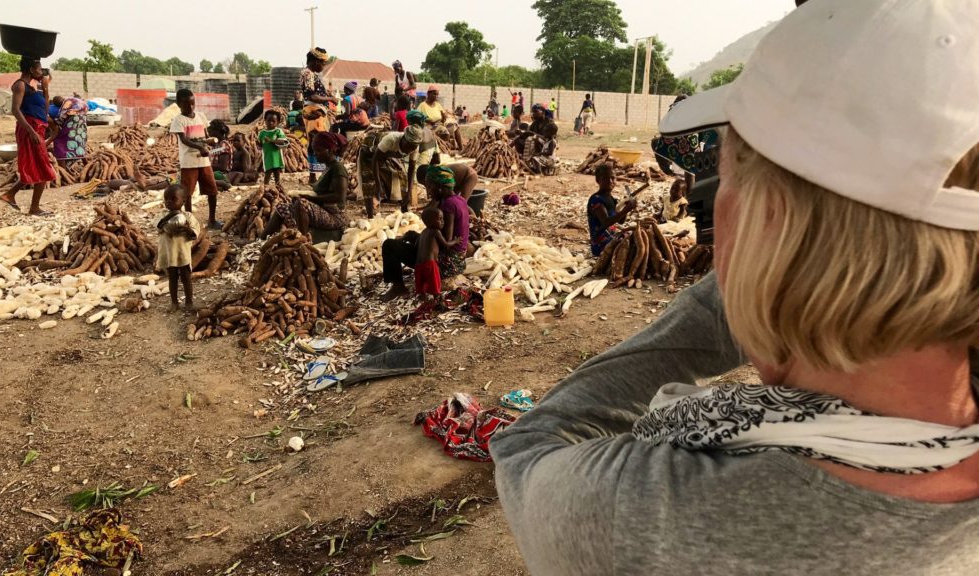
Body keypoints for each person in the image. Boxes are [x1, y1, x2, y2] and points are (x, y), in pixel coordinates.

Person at [492, 2, 979, 575]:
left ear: (761, 224)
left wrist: (760, 278)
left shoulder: (644, 513)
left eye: (726, 177)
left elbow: (529, 446)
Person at [380, 165, 469, 300]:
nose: (428, 192)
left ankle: (398, 287)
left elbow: (445, 240)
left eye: (430, 187)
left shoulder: (448, 205)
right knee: (409, 238)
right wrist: (417, 237)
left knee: (389, 245)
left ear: (440, 187)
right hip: (459, 261)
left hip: (446, 264)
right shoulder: (459, 200)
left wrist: (419, 239)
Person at [264, 132, 350, 237]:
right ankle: (262, 240)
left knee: (302, 204)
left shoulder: (338, 168)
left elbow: (340, 196)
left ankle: (303, 241)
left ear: (330, 150)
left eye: (318, 150)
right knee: (282, 207)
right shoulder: (328, 168)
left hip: (336, 215)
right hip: (324, 210)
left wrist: (311, 199)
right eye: (314, 151)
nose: (315, 154)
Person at [0, 57, 55, 216]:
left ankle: (10, 195)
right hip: (30, 131)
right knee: (44, 168)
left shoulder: (33, 89)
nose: (41, 71)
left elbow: (45, 111)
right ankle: (33, 208)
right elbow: (15, 110)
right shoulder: (20, 85)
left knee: (36, 167)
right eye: (39, 68)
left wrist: (45, 89)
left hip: (38, 129)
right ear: (31, 69)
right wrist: (31, 132)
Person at [169, 88, 221, 229]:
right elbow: (184, 140)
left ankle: (212, 219)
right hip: (188, 162)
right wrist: (199, 147)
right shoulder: (178, 120)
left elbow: (205, 136)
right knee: (187, 193)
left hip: (203, 161)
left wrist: (209, 142)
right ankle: (189, 220)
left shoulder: (200, 116)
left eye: (193, 104)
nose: (190, 107)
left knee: (212, 190)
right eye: (186, 104)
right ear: (179, 104)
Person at [156, 184, 200, 312]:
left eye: (173, 199)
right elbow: (158, 226)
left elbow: (195, 233)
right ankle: (174, 303)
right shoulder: (162, 215)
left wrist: (186, 229)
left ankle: (189, 302)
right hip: (169, 254)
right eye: (166, 199)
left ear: (183, 201)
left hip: (182, 254)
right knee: (172, 278)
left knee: (186, 278)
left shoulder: (188, 217)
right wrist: (170, 218)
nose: (168, 202)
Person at [367, 125, 424, 216]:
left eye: (412, 148)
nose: (410, 150)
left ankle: (404, 209)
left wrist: (409, 192)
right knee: (368, 181)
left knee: (401, 176)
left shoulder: (415, 146)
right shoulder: (391, 139)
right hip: (369, 152)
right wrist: (378, 184)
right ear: (404, 139)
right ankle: (370, 214)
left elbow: (411, 168)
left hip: (387, 155)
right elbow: (375, 160)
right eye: (408, 146)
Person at [301, 47, 339, 184]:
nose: (323, 66)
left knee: (315, 142)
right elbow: (313, 96)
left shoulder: (311, 74)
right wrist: (329, 99)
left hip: (315, 110)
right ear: (314, 61)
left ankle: (314, 176)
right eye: (322, 63)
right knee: (319, 143)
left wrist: (327, 96)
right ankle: (318, 176)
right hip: (314, 111)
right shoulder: (308, 74)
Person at [586, 163, 636, 256]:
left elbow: (621, 221)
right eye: (605, 178)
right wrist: (627, 209)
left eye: (613, 178)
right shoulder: (596, 200)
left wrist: (625, 207)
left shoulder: (612, 199)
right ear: (598, 181)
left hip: (612, 238)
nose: (610, 181)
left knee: (635, 238)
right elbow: (606, 222)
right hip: (601, 245)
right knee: (630, 246)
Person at [416, 206, 459, 300]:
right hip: (430, 263)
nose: (443, 221)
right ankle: (437, 296)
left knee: (421, 280)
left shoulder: (423, 232)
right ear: (430, 221)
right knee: (434, 280)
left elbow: (417, 245)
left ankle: (422, 295)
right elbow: (446, 244)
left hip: (418, 264)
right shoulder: (436, 231)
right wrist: (456, 241)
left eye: (442, 218)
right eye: (440, 219)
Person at [417, 85, 463, 150]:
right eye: (434, 94)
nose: (436, 96)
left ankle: (461, 148)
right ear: (428, 94)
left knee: (454, 125)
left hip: (440, 124)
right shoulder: (422, 105)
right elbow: (417, 117)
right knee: (444, 131)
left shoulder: (438, 105)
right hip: (429, 127)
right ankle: (445, 149)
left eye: (437, 95)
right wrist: (427, 120)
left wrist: (443, 117)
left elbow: (444, 116)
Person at [48, 95, 88, 168]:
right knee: (79, 138)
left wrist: (57, 123)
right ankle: (83, 159)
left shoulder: (66, 105)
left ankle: (63, 166)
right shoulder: (73, 99)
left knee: (61, 139)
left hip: (73, 122)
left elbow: (61, 119)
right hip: (82, 122)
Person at [258, 110, 287, 186]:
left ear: (277, 122)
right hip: (267, 156)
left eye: (273, 121)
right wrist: (258, 144)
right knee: (267, 173)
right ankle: (265, 188)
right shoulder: (262, 133)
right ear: (265, 120)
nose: (270, 123)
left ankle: (278, 187)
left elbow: (283, 142)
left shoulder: (278, 131)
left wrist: (271, 140)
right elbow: (260, 145)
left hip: (277, 157)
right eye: (268, 120)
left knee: (277, 173)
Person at [206, 119, 233, 191]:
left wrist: (206, 166)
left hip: (221, 174)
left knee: (202, 177)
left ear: (217, 131)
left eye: (211, 129)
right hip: (215, 172)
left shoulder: (224, 145)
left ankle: (222, 183)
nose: (209, 132)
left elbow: (223, 167)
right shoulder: (216, 145)